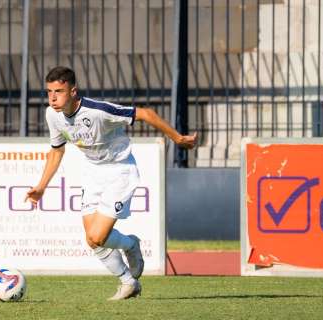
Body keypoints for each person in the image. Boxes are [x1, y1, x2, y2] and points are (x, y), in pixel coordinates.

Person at [25, 66, 197, 301]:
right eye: (49, 92)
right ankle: (129, 275)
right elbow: (57, 151)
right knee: (92, 239)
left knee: (97, 237)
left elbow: (145, 113)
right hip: (93, 173)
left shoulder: (98, 111)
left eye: (59, 91)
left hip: (120, 172)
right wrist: (42, 186)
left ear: (73, 91)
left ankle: (129, 253)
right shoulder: (52, 115)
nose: (53, 97)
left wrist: (178, 138)